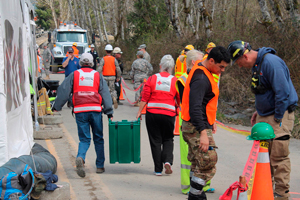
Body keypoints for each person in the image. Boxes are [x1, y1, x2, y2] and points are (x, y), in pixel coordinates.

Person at [227, 40, 298, 200]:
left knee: (278, 157)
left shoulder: (271, 63)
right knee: (264, 156)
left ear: (244, 57)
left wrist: (278, 117)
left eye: (237, 62)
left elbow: (282, 92)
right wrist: (258, 112)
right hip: (266, 115)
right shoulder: (257, 66)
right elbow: (264, 91)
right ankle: (265, 191)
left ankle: (281, 194)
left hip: (279, 115)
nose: (239, 66)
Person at [181, 46, 230, 200]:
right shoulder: (202, 78)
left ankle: (197, 195)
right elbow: (195, 107)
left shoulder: (203, 71)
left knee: (198, 162)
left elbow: (204, 103)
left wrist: (211, 120)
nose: (222, 70)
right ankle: (195, 196)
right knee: (208, 160)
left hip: (197, 123)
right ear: (211, 61)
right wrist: (203, 132)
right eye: (220, 66)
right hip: (196, 126)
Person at [53, 53, 113, 178]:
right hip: (95, 110)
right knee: (98, 138)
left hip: (80, 110)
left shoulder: (74, 75)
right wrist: (109, 112)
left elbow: (63, 91)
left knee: (84, 139)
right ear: (92, 63)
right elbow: (105, 93)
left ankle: (81, 157)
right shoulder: (97, 75)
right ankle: (100, 166)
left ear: (80, 63)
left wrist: (56, 107)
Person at [136, 55, 180, 176]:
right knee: (168, 138)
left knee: (155, 140)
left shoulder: (152, 78)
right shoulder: (175, 80)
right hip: (169, 113)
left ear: (160, 66)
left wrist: (140, 111)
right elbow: (179, 99)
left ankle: (157, 169)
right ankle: (167, 161)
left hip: (153, 113)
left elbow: (145, 96)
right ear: (172, 68)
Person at [98, 44, 121, 109]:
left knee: (105, 90)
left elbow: (100, 68)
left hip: (104, 77)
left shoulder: (103, 59)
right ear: (111, 51)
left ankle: (106, 102)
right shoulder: (114, 59)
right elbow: (118, 69)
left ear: (106, 51)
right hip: (112, 77)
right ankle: (114, 97)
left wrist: (99, 76)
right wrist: (118, 77)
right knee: (112, 89)